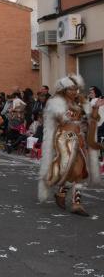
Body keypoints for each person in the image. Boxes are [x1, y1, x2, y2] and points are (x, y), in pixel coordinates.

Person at [38, 75, 102, 217]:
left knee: (79, 170)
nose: (74, 92)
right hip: (64, 138)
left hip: (78, 138)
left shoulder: (80, 102)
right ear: (64, 90)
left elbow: (94, 118)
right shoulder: (57, 102)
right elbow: (61, 120)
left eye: (76, 89)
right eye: (71, 89)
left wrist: (95, 108)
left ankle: (75, 203)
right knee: (69, 167)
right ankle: (62, 193)